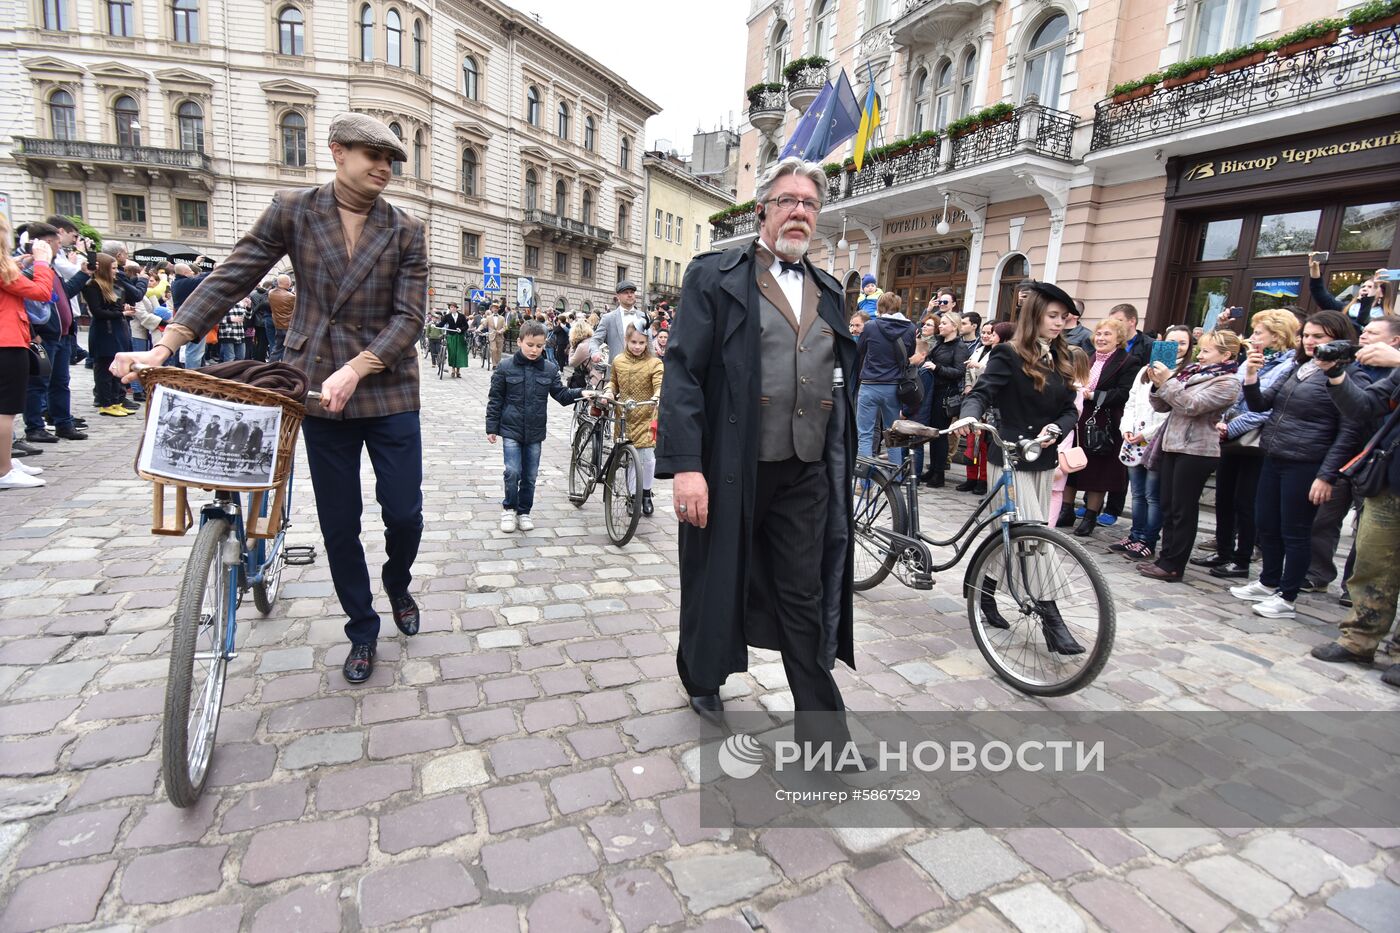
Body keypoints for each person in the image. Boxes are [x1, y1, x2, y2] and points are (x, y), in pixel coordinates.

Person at [114, 112, 427, 684]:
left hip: (388, 384)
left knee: (404, 513)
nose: (383, 167)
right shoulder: (294, 209)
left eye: (391, 160)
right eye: (371, 155)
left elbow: (410, 318)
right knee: (340, 521)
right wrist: (166, 345)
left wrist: (358, 368)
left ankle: (398, 582)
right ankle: (362, 628)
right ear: (336, 152)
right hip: (314, 386)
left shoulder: (406, 229)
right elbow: (230, 278)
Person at [657, 156, 861, 754]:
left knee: (804, 594)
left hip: (805, 470)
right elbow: (684, 374)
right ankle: (701, 674)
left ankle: (825, 734)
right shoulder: (715, 274)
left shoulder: (828, 291)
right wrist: (687, 466)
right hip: (729, 466)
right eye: (787, 200)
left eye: (810, 204)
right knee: (714, 577)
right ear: (762, 210)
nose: (799, 212)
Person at [959, 283, 1084, 654]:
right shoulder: (1008, 354)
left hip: (1042, 461)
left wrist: (1056, 429)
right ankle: (1053, 619)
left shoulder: (1064, 355)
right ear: (1035, 316)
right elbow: (982, 392)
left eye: (1064, 318)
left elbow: (1070, 408)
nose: (1060, 323)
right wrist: (969, 417)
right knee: (1029, 538)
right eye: (1053, 316)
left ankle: (982, 591)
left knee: (1012, 535)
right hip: (1010, 458)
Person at [1232, 309, 1367, 619]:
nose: (1310, 341)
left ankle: (1287, 595)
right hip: (1275, 453)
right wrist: (1251, 375)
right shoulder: (1301, 367)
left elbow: (1348, 432)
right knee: (1267, 523)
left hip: (1308, 461)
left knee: (1295, 530)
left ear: (1339, 338)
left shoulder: (1348, 374)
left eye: (1318, 337)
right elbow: (1261, 405)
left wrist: (1326, 475)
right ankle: (1268, 582)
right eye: (1306, 335)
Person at [1308, 354, 1400, 688]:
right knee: (1372, 562)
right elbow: (1365, 406)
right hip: (1389, 480)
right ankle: (1359, 639)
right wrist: (1335, 373)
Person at [1192, 310, 1298, 579]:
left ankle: (1241, 559)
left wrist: (1231, 426)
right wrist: (1224, 421)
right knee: (1224, 497)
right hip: (1229, 437)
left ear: (1277, 335)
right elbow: (1235, 393)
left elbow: (1264, 407)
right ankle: (1223, 550)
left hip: (1255, 442)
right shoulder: (1250, 360)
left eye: (1259, 332)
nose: (1253, 337)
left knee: (1245, 501)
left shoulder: (1288, 364)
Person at [1137, 330, 1243, 581]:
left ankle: (1174, 565)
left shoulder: (1227, 381)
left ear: (1226, 355)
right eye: (1201, 350)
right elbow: (1162, 405)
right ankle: (1165, 558)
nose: (1201, 355)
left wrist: (1169, 382)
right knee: (1168, 505)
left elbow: (1191, 406)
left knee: (1182, 509)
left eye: (1207, 351)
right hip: (1173, 444)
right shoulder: (1193, 372)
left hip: (1197, 449)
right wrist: (1157, 383)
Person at [486, 320, 587, 532]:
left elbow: (561, 394)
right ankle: (509, 508)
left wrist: (582, 393)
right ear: (520, 341)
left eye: (539, 346)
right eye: (530, 345)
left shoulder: (549, 369)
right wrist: (491, 428)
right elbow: (495, 399)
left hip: (535, 431)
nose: (534, 350)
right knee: (512, 471)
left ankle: (524, 512)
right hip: (511, 429)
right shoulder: (505, 367)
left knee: (530, 476)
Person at [1114, 325, 1192, 561]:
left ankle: (1148, 539)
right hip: (1133, 437)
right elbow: (1131, 402)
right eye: (1171, 342)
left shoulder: (1185, 374)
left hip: (1157, 440)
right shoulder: (1145, 372)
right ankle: (1135, 534)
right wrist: (1126, 428)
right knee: (1137, 493)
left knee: (1152, 494)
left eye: (1182, 343)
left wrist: (1147, 433)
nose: (1176, 347)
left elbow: (1171, 412)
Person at [1059, 318, 1137, 536]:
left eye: (1107, 334)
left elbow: (1124, 393)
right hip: (1080, 421)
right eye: (1099, 334)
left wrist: (1093, 395)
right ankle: (1066, 511)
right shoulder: (1089, 357)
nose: (1101, 338)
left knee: (1098, 474)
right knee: (1072, 466)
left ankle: (1091, 516)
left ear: (1119, 338)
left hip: (1105, 424)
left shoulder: (1127, 361)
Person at [21, 221, 90, 444]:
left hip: (61, 336)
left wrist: (82, 275)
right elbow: (25, 304)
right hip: (44, 337)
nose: (60, 248)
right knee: (38, 382)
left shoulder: (50, 269)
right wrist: (34, 332)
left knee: (61, 382)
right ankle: (35, 427)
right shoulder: (32, 269)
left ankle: (63, 423)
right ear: (46, 242)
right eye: (58, 243)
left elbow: (64, 295)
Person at [0, 222, 55, 489]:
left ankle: (6, 461)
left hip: (8, 339)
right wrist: (43, 263)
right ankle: (3, 470)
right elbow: (41, 292)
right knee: (6, 409)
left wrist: (19, 265)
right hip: (7, 341)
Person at [607, 323, 665, 516]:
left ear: (647, 342)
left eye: (641, 342)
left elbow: (659, 382)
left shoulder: (655, 363)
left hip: (646, 414)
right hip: (624, 414)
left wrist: (657, 395)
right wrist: (609, 392)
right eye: (633, 342)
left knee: (647, 458)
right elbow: (613, 382)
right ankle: (633, 497)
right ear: (627, 340)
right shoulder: (618, 360)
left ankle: (646, 493)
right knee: (632, 459)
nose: (637, 346)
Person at [856, 292, 916, 465]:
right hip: (893, 387)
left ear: (879, 307)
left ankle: (865, 481)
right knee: (894, 435)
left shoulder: (871, 326)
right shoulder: (910, 328)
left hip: (869, 385)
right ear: (898, 307)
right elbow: (910, 354)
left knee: (865, 434)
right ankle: (895, 480)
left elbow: (860, 350)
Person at [915, 309, 970, 487]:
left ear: (954, 326)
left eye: (945, 323)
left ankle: (939, 474)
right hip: (933, 391)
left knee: (940, 434)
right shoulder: (939, 342)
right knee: (932, 432)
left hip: (946, 394)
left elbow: (959, 372)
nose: (941, 326)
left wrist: (936, 368)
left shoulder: (959, 347)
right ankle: (933, 469)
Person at [958, 321, 1012, 494]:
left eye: (991, 333)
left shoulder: (1004, 355)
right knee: (972, 443)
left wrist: (980, 367)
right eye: (985, 332)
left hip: (990, 405)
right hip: (974, 401)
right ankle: (971, 478)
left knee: (985, 446)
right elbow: (968, 371)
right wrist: (968, 387)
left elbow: (992, 375)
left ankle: (983, 479)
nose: (987, 336)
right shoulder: (979, 350)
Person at [83, 254, 140, 418]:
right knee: (105, 370)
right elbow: (98, 312)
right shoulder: (92, 285)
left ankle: (116, 401)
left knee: (117, 369)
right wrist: (120, 312)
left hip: (117, 329)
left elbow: (135, 295)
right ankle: (106, 403)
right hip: (104, 333)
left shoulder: (115, 284)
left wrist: (123, 311)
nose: (117, 272)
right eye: (113, 268)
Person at [1307, 253, 1395, 332]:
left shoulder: (1388, 319)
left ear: (1382, 294)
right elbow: (1322, 296)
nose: (1364, 289)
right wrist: (1314, 269)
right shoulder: (1346, 309)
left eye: (1371, 287)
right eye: (1363, 286)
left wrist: (1373, 290)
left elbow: (1363, 320)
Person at [591, 281, 649, 363]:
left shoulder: (643, 317)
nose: (630, 295)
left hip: (640, 369)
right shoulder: (608, 318)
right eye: (626, 293)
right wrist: (595, 352)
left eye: (632, 292)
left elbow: (649, 344)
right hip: (616, 369)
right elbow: (595, 340)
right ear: (618, 296)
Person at [267, 274, 295, 362]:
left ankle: (271, 367)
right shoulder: (291, 297)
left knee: (277, 349)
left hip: (278, 325)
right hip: (289, 326)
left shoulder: (271, 293)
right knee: (290, 350)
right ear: (288, 283)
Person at [442, 303, 469, 377]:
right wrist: (434, 325)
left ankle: (458, 371)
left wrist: (461, 329)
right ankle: (453, 370)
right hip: (451, 336)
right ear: (449, 308)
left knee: (459, 354)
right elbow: (442, 323)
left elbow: (466, 326)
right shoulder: (447, 316)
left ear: (456, 308)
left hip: (460, 336)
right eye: (451, 307)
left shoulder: (462, 316)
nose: (453, 308)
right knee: (452, 353)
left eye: (454, 307)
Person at [486, 301, 507, 369]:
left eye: (496, 308)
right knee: (493, 349)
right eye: (494, 308)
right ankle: (494, 364)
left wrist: (501, 331)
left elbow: (505, 327)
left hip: (500, 336)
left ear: (498, 309)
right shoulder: (488, 318)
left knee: (499, 351)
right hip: (492, 336)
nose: (495, 309)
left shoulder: (502, 318)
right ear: (491, 309)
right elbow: (483, 325)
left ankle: (498, 364)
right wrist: (478, 329)